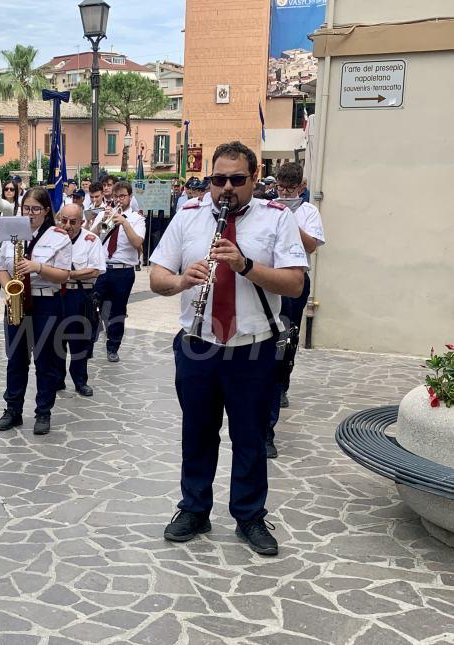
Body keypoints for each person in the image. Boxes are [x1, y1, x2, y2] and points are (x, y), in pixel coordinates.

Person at [150, 141, 307, 556]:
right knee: (197, 432)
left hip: (252, 349)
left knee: (250, 437)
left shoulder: (276, 219)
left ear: (254, 179)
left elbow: (294, 284)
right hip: (199, 345)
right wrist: (183, 281)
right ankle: (195, 508)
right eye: (217, 180)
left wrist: (246, 266)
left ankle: (250, 516)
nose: (226, 189)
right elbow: (157, 277)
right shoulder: (188, 217)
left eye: (237, 180)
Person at [0, 187, 71, 435]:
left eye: (35, 209)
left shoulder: (58, 237)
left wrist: (37, 266)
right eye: (26, 208)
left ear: (46, 210)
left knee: (45, 359)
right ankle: (13, 409)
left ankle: (43, 412)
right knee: (15, 358)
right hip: (17, 301)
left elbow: (63, 276)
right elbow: (1, 269)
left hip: (45, 302)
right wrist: (10, 288)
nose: (30, 213)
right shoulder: (11, 234)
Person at [265, 162, 325, 457]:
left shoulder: (308, 211)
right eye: (281, 188)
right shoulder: (267, 208)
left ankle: (284, 380)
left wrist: (291, 221)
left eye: (290, 189)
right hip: (270, 280)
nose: (284, 193)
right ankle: (267, 424)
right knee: (271, 346)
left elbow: (312, 245)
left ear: (301, 188)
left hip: (296, 281)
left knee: (288, 340)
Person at [90, 180, 145, 362]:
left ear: (130, 196)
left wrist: (124, 223)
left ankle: (113, 347)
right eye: (116, 196)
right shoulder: (105, 213)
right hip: (102, 268)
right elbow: (90, 237)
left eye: (122, 196)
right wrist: (101, 222)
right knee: (91, 304)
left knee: (118, 311)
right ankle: (91, 336)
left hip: (123, 271)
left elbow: (137, 243)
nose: (119, 199)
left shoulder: (137, 219)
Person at [56, 203, 105, 396]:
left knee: (79, 341)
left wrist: (65, 274)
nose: (67, 225)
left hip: (79, 295)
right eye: (64, 220)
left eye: (73, 222)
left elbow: (94, 270)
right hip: (57, 294)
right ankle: (57, 379)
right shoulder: (53, 238)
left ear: (82, 222)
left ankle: (80, 380)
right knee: (56, 339)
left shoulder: (90, 240)